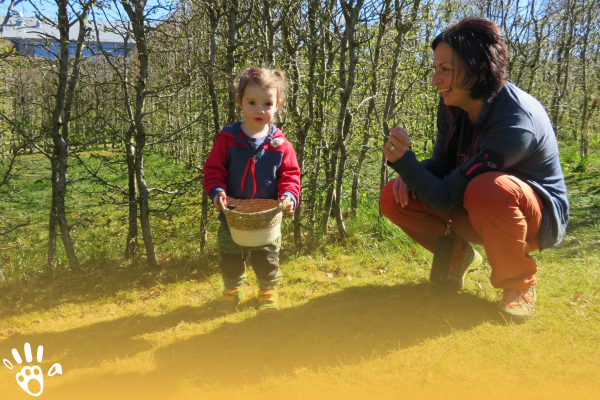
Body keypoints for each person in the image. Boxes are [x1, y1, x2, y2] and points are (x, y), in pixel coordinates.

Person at [379, 17, 569, 322]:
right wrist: (413, 172)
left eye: (445, 69)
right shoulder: (452, 102)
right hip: (477, 203)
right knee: (394, 196)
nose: (435, 80)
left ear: (478, 68)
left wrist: (405, 163)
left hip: (533, 219)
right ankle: (459, 256)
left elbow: (444, 196)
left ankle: (518, 284)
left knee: (489, 187)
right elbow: (443, 162)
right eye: (435, 69)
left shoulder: (516, 122)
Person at [203, 67, 300, 314]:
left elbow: (290, 174)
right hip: (232, 214)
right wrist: (217, 190)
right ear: (240, 102)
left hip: (267, 218)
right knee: (230, 254)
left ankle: (267, 289)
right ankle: (232, 289)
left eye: (267, 104)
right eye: (252, 103)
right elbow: (213, 170)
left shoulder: (280, 144)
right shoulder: (227, 138)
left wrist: (289, 196)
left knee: (267, 255)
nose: (259, 110)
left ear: (277, 105)